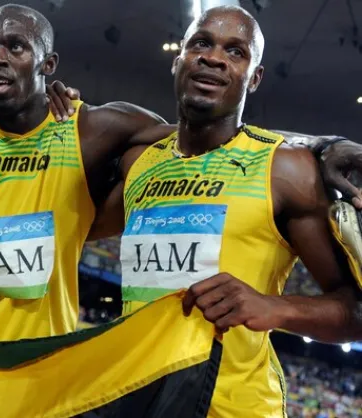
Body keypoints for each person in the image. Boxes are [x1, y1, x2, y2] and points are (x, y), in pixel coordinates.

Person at [0, 3, 362, 343]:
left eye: (16, 46)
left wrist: (316, 142)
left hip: (52, 360)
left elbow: (205, 129)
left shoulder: (95, 128)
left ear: (47, 65)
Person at [90, 6, 362, 417]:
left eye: (236, 52)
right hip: (140, 400)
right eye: (202, 43)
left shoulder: (285, 171)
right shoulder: (140, 163)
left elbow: (355, 311)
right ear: (178, 59)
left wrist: (275, 307)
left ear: (255, 77)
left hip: (235, 407)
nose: (214, 57)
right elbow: (73, 227)